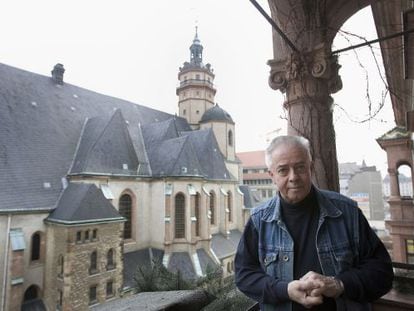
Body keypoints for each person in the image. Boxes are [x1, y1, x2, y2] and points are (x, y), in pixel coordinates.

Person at [235, 135, 393, 311]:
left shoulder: (346, 212)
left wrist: (338, 284)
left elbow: (382, 272)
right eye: (283, 170)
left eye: (300, 167)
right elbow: (244, 275)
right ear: (272, 175)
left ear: (310, 168)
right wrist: (285, 290)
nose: (293, 177)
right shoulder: (259, 220)